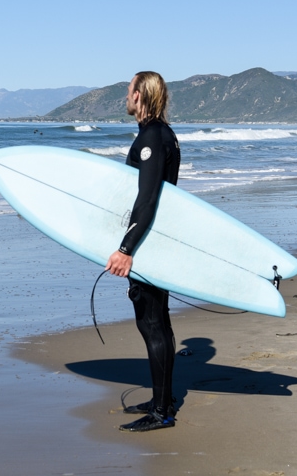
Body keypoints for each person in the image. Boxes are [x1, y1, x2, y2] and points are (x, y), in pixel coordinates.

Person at [105, 71, 181, 432]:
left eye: (128, 91)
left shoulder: (152, 136)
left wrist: (126, 249)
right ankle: (160, 399)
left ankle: (162, 412)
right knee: (156, 322)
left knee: (152, 324)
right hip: (155, 240)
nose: (126, 96)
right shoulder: (164, 134)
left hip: (147, 242)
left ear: (139, 96)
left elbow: (147, 198)